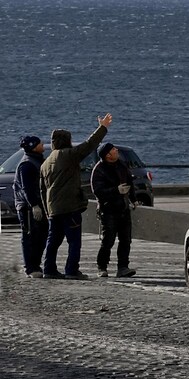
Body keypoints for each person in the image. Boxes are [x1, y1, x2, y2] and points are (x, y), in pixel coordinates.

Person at [40, 113, 113, 280]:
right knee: (74, 241)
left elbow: (42, 189)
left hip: (53, 208)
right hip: (69, 206)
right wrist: (103, 128)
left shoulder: (46, 162)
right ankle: (71, 270)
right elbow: (89, 145)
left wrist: (46, 210)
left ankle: (48, 269)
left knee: (53, 241)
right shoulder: (68, 155)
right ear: (67, 141)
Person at [90, 143, 137, 278]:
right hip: (108, 209)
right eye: (113, 149)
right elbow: (98, 191)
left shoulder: (121, 165)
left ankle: (123, 267)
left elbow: (130, 183)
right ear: (107, 155)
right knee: (108, 240)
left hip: (123, 208)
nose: (116, 150)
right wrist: (116, 190)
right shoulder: (99, 169)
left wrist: (133, 199)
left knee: (126, 240)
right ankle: (102, 266)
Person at [14, 135, 48, 278]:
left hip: (39, 204)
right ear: (34, 146)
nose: (43, 145)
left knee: (42, 235)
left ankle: (36, 264)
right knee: (30, 236)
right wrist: (34, 205)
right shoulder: (27, 164)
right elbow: (26, 188)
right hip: (27, 207)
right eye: (40, 143)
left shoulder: (38, 160)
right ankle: (30, 267)